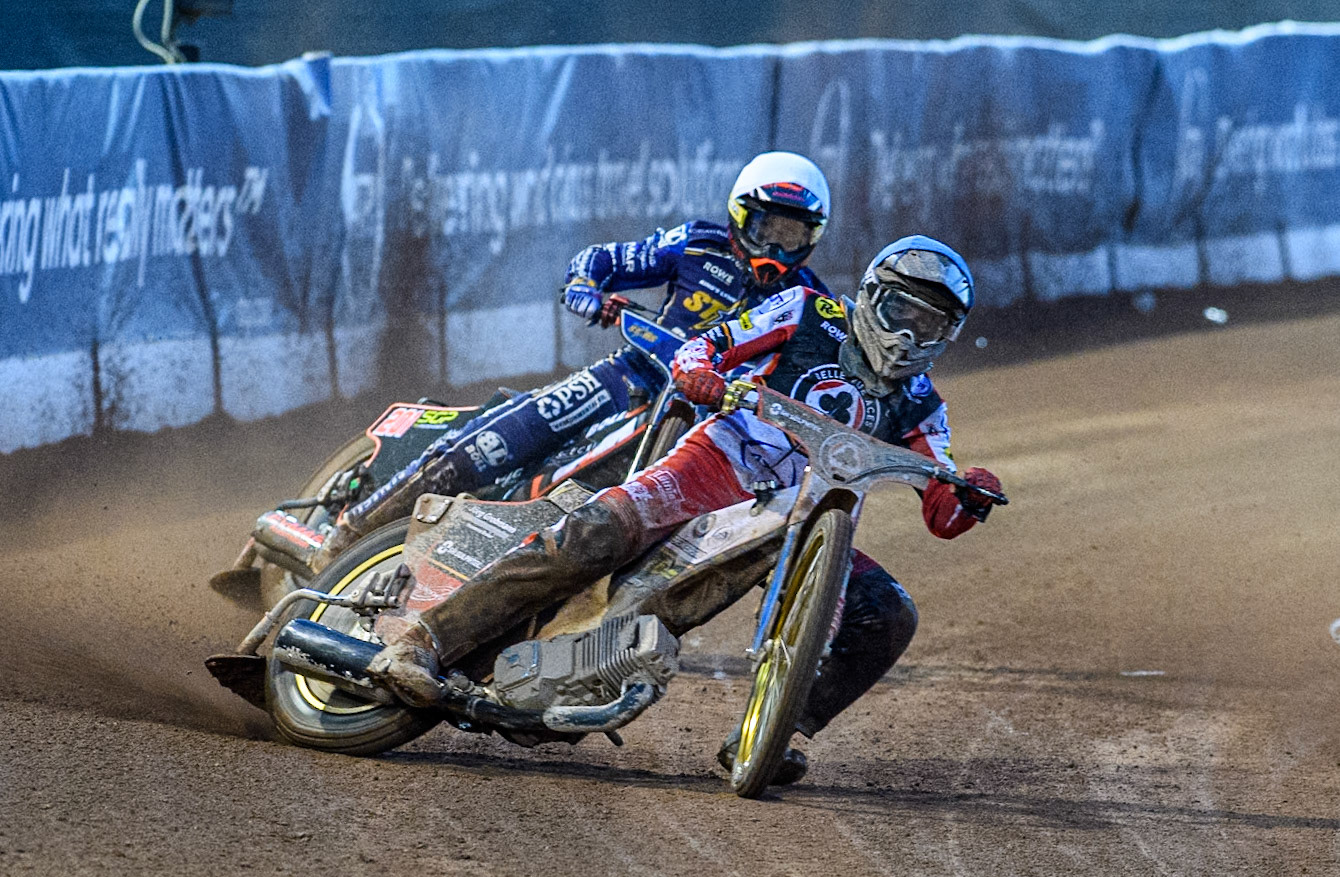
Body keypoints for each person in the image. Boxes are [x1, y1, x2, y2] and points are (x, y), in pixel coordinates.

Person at [370, 235, 1005, 786]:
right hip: (719, 464)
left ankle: (773, 729)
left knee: (889, 612)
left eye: (928, 327)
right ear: (871, 296)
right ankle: (423, 640)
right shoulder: (812, 312)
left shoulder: (923, 405)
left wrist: (970, 490)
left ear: (945, 337)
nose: (906, 336)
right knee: (599, 532)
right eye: (900, 312)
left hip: (806, 523)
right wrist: (701, 372)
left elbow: (942, 512)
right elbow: (711, 344)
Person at [310, 152, 835, 569]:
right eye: (769, 230)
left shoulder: (811, 301)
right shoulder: (697, 244)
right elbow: (598, 260)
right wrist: (587, 291)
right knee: (489, 449)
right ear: (742, 216)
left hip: (703, 426)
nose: (777, 249)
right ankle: (345, 536)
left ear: (813, 237)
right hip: (630, 378)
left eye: (793, 237)